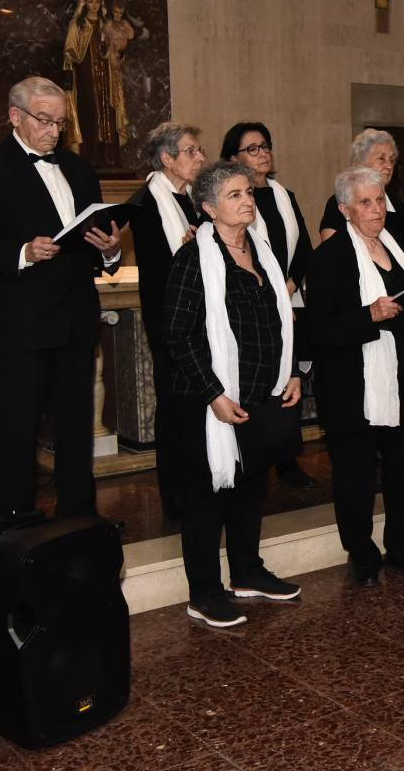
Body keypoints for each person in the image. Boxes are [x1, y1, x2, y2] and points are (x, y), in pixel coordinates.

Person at [0, 76, 122, 520]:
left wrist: (111, 249)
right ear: (14, 117)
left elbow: (97, 236)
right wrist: (22, 252)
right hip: (24, 319)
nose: (53, 131)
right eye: (44, 121)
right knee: (16, 427)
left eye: (60, 123)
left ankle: (79, 516)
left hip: (77, 317)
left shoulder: (80, 170)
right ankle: (13, 520)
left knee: (77, 424)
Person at [162, 161, 303, 627]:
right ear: (207, 208)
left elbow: (282, 319)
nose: (247, 200)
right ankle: (203, 592)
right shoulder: (192, 259)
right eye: (234, 195)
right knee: (207, 498)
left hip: (262, 392)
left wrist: (295, 372)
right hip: (208, 401)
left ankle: (246, 572)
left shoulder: (262, 250)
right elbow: (178, 334)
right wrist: (214, 393)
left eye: (248, 192)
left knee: (249, 490)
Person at [307, 166, 404, 586]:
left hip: (398, 374)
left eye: (380, 199)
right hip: (351, 384)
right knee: (355, 474)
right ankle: (362, 552)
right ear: (345, 209)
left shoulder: (396, 249)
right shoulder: (329, 257)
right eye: (365, 202)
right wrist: (369, 315)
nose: (376, 209)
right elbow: (319, 331)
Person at [222, 121, 317, 491]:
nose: (263, 154)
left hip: (288, 299)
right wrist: (272, 295)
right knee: (262, 378)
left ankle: (288, 461)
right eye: (253, 149)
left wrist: (286, 288)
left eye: (265, 146)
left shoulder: (283, 195)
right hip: (254, 306)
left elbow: (305, 250)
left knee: (290, 378)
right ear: (233, 158)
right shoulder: (229, 205)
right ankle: (256, 457)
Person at [128, 122, 205, 519]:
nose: (200, 157)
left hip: (199, 319)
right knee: (173, 405)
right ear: (167, 158)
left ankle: (198, 485)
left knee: (195, 405)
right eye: (191, 151)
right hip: (169, 320)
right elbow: (160, 270)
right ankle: (175, 498)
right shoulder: (145, 202)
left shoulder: (191, 198)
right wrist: (189, 252)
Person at [317, 129, 404, 276]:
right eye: (381, 159)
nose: (389, 166)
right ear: (360, 162)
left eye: (392, 159)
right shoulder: (341, 202)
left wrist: (394, 271)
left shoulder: (398, 206)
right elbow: (330, 257)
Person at [62, 0, 127, 167]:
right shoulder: (78, 25)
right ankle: (89, 156)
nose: (94, 5)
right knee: (89, 111)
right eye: (90, 1)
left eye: (97, 1)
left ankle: (110, 157)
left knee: (109, 111)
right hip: (86, 76)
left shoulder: (107, 25)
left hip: (107, 76)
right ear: (85, 3)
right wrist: (73, 56)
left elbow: (117, 49)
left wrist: (118, 51)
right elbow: (70, 50)